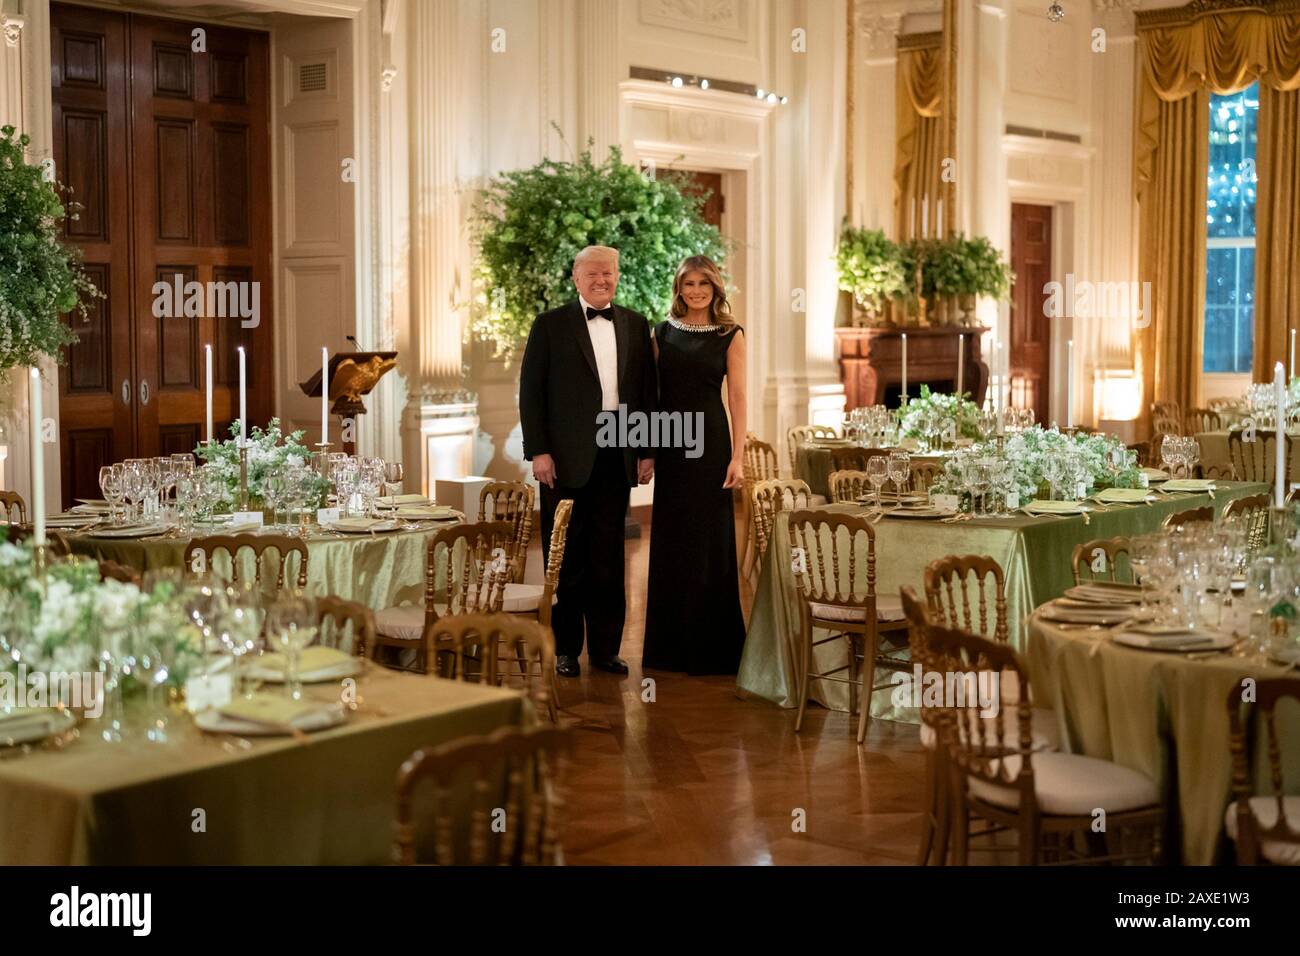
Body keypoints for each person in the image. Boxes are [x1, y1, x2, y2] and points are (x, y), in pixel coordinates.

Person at [518, 245, 657, 678]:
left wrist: (646, 450)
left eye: (609, 273)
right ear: (576, 278)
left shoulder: (635, 324)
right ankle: (564, 650)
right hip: (562, 459)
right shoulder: (550, 325)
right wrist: (538, 451)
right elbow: (531, 393)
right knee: (565, 556)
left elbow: (646, 393)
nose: (602, 280)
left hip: (617, 452)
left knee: (609, 556)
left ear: (617, 277)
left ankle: (605, 649)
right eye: (593, 274)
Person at [642, 255, 747, 674]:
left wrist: (738, 456)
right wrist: (646, 451)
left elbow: (737, 398)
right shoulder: (661, 333)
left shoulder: (730, 334)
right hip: (671, 444)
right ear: (679, 288)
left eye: (704, 283)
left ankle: (713, 650)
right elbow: (651, 396)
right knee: (672, 540)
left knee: (708, 541)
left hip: (710, 447)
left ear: (715, 288)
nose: (697, 290)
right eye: (689, 283)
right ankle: (670, 648)